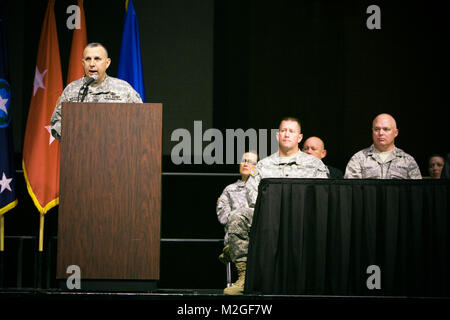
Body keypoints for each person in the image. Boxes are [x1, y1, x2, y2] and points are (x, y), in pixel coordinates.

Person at [223, 117, 329, 295]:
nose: (287, 134)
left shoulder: (315, 165)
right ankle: (245, 276)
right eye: (284, 130)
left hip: (303, 219)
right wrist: (274, 212)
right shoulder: (262, 166)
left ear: (300, 137)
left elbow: (322, 195)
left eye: (292, 131)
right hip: (269, 218)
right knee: (238, 216)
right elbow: (252, 195)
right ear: (277, 135)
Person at [50, 42, 142, 141]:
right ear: (83, 63)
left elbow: (141, 119)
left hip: (116, 150)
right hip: (80, 151)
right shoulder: (71, 90)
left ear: (107, 63)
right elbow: (57, 122)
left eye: (97, 59)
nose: (92, 64)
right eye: (88, 59)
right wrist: (74, 134)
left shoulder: (123, 89)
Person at [344, 113, 422, 179]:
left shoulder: (407, 161)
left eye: (386, 129)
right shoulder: (358, 159)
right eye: (377, 129)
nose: (381, 133)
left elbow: (417, 192)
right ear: (372, 131)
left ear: (396, 133)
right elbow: (351, 191)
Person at [216, 151, 258, 263]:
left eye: (251, 162)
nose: (245, 164)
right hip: (236, 235)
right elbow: (223, 218)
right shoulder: (230, 189)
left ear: (257, 166)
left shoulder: (262, 188)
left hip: (257, 236)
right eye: (243, 161)